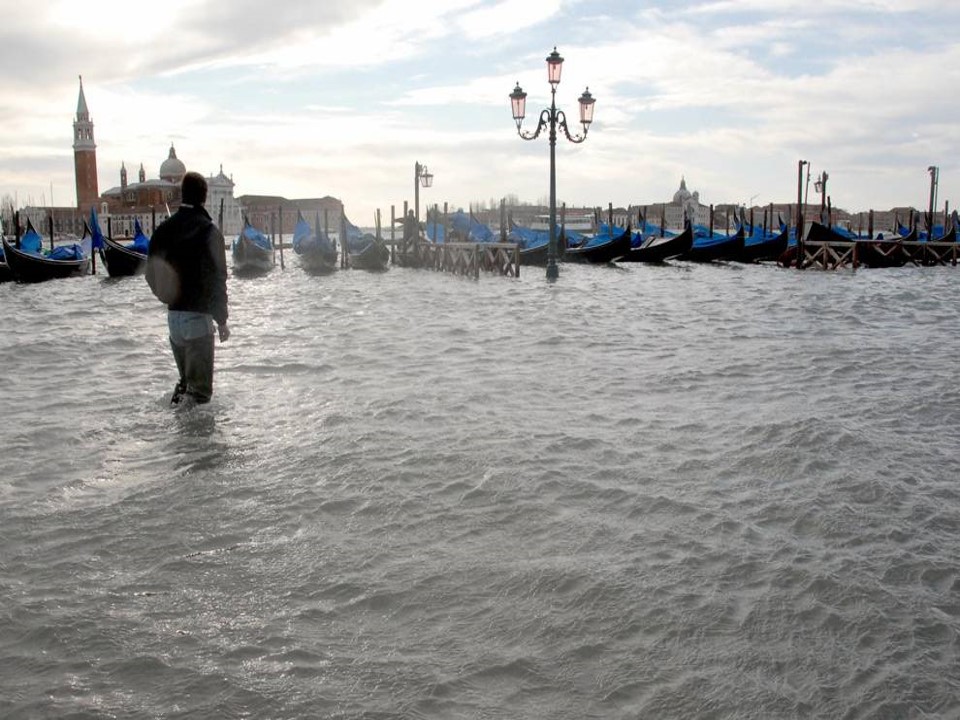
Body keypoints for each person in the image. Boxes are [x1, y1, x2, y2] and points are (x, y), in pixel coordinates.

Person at [145, 171, 229, 405]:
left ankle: (176, 437)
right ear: (204, 197)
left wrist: (166, 296)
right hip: (198, 319)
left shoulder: (164, 230)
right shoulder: (210, 232)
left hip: (174, 320)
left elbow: (150, 271)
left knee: (185, 387)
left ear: (183, 194)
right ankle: (195, 441)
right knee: (200, 396)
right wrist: (222, 320)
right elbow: (218, 279)